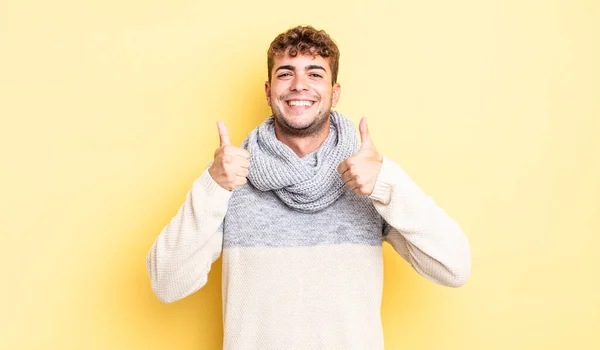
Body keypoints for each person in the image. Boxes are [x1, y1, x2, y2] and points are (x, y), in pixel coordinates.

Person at [146, 25, 471, 349]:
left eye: (315, 74)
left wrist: (389, 183)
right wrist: (211, 187)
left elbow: (454, 268)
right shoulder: (230, 179)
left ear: (335, 92)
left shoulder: (370, 180)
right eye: (286, 73)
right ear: (268, 90)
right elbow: (166, 283)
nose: (299, 85)